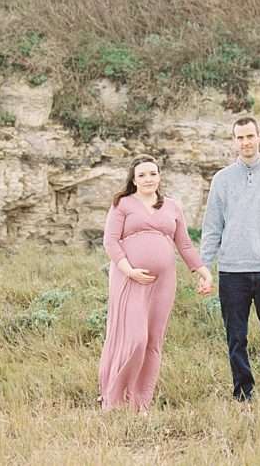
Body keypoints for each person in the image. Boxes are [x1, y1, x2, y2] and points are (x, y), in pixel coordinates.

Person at [98, 154, 213, 413]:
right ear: (134, 180)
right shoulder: (123, 204)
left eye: (152, 173)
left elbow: (183, 244)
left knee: (152, 342)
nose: (148, 179)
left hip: (163, 282)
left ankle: (141, 404)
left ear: (159, 176)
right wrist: (129, 270)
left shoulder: (172, 206)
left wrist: (203, 271)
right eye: (142, 175)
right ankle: (114, 399)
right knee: (135, 339)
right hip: (129, 279)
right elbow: (110, 242)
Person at [199, 115, 260, 403]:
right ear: (234, 141)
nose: (245, 142)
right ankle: (243, 394)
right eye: (240, 137)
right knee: (236, 338)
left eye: (250, 136)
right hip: (232, 272)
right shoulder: (222, 179)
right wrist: (204, 266)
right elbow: (212, 226)